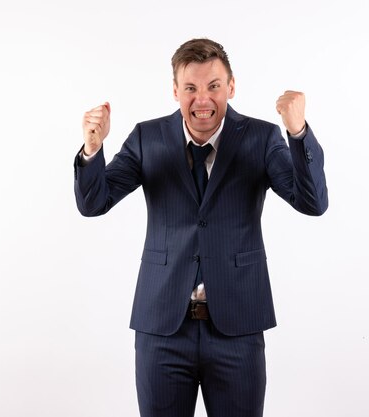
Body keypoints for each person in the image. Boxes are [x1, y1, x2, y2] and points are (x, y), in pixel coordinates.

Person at [74, 38, 328, 417]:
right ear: (175, 90)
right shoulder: (148, 138)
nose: (202, 100)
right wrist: (92, 149)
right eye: (190, 88)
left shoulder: (260, 138)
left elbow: (312, 203)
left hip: (237, 329)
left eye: (213, 86)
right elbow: (94, 203)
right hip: (162, 329)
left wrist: (298, 132)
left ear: (231, 86)